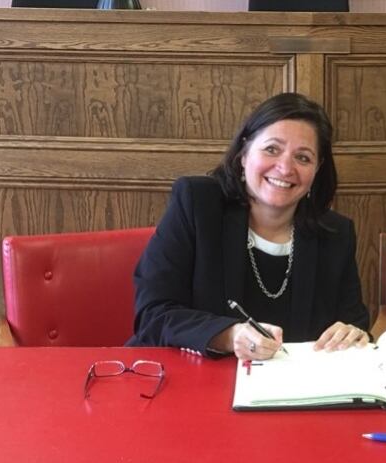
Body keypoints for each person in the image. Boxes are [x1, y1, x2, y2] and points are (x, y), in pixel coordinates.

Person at [127, 93, 370, 360]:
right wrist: (229, 336)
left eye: (303, 158)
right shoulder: (197, 204)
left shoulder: (335, 233)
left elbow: (355, 324)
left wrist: (352, 334)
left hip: (292, 392)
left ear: (317, 170)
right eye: (272, 149)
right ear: (244, 154)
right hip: (191, 380)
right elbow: (154, 314)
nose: (285, 167)